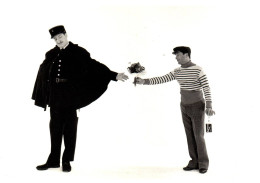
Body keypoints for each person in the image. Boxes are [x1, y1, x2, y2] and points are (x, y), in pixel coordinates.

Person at [32, 25, 128, 172]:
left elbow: (94, 65)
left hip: (70, 96)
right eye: (55, 38)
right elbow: (44, 72)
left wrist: (114, 75)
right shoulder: (50, 53)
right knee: (55, 128)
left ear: (66, 35)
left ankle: (66, 161)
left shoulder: (78, 51)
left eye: (60, 37)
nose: (58, 40)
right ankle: (53, 160)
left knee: (70, 128)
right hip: (55, 96)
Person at [135, 46, 215, 174]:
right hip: (184, 106)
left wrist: (209, 106)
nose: (176, 58)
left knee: (198, 136)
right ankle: (194, 161)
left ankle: (203, 163)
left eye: (178, 55)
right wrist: (143, 81)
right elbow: (162, 79)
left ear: (186, 55)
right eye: (175, 55)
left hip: (197, 105)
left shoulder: (198, 70)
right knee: (189, 135)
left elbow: (206, 88)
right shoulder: (177, 71)